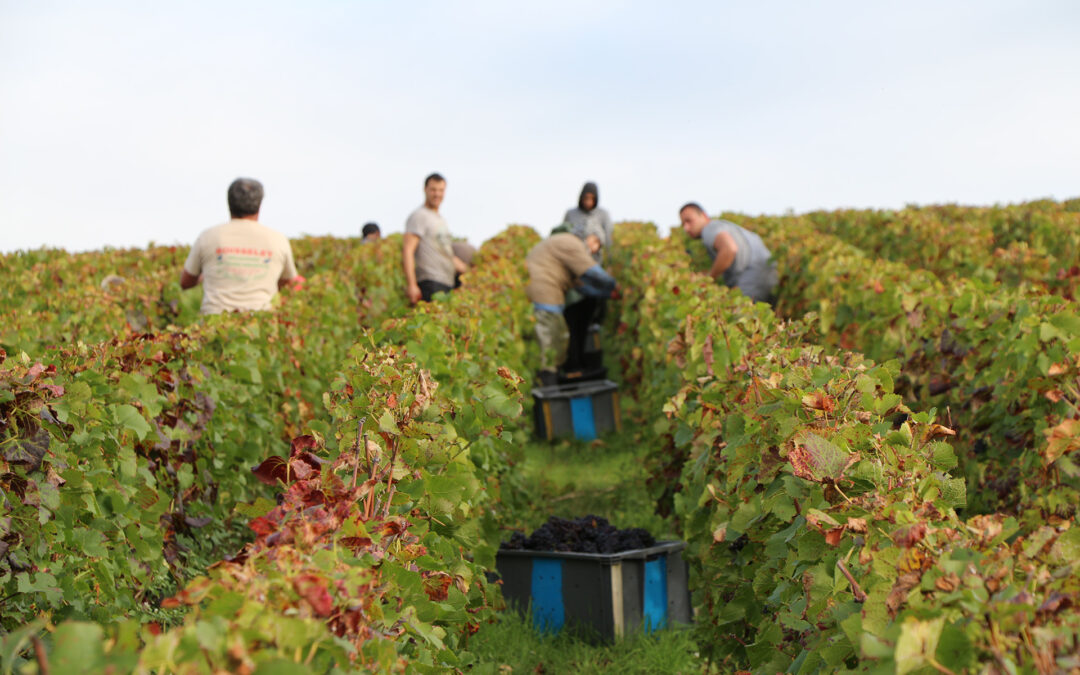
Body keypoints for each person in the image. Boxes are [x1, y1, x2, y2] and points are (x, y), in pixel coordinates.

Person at [180, 178, 299, 314]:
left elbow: (185, 282)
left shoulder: (208, 236)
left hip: (213, 323)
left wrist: (203, 277)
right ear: (259, 205)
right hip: (261, 323)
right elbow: (288, 282)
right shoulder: (278, 239)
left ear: (229, 203)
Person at [526, 233, 616, 387]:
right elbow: (592, 271)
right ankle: (549, 388)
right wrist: (614, 285)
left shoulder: (566, 252)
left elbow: (583, 288)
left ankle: (551, 382)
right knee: (550, 346)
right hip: (544, 293)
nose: (594, 249)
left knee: (557, 342)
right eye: (595, 243)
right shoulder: (571, 243)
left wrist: (609, 294)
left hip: (544, 294)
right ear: (587, 237)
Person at [678, 202, 778, 304]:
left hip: (751, 280)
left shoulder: (709, 229)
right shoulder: (725, 225)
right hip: (770, 276)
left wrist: (709, 278)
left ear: (703, 216)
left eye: (689, 221)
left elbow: (730, 249)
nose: (686, 228)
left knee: (742, 315)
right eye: (683, 224)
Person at [403, 173, 468, 303]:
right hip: (430, 281)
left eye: (441, 190)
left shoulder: (440, 219)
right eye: (433, 190)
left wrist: (469, 272)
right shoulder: (419, 216)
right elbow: (408, 250)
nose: (437, 194)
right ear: (425, 190)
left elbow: (444, 252)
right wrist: (412, 284)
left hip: (447, 281)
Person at [562, 182, 614, 258]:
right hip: (573, 255)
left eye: (592, 198)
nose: (588, 202)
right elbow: (563, 233)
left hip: (595, 258)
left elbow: (608, 237)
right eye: (586, 198)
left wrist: (598, 243)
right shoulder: (570, 214)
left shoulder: (603, 214)